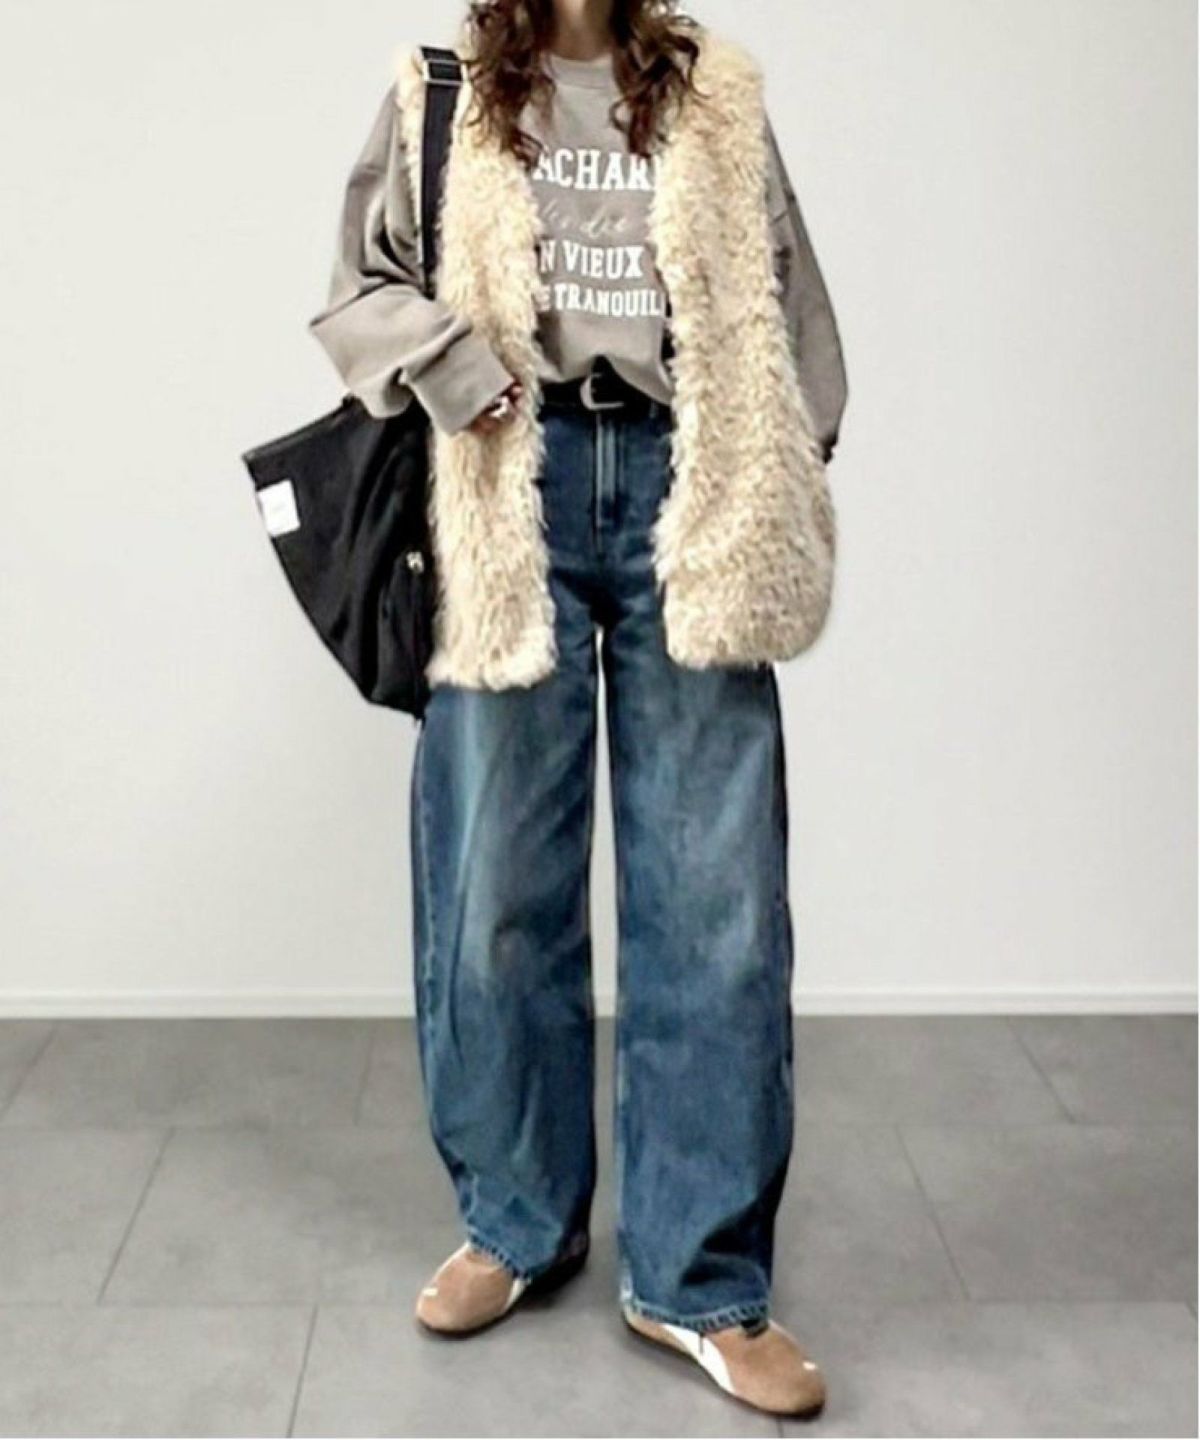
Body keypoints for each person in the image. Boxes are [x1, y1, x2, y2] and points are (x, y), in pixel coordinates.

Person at [308, 0, 847, 1418]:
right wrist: (460, 372)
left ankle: (701, 1279)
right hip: (507, 492)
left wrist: (777, 475)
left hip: (688, 487)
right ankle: (516, 1221)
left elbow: (789, 305)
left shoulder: (715, 90)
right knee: (494, 890)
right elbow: (360, 289)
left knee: (714, 905)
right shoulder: (442, 89)